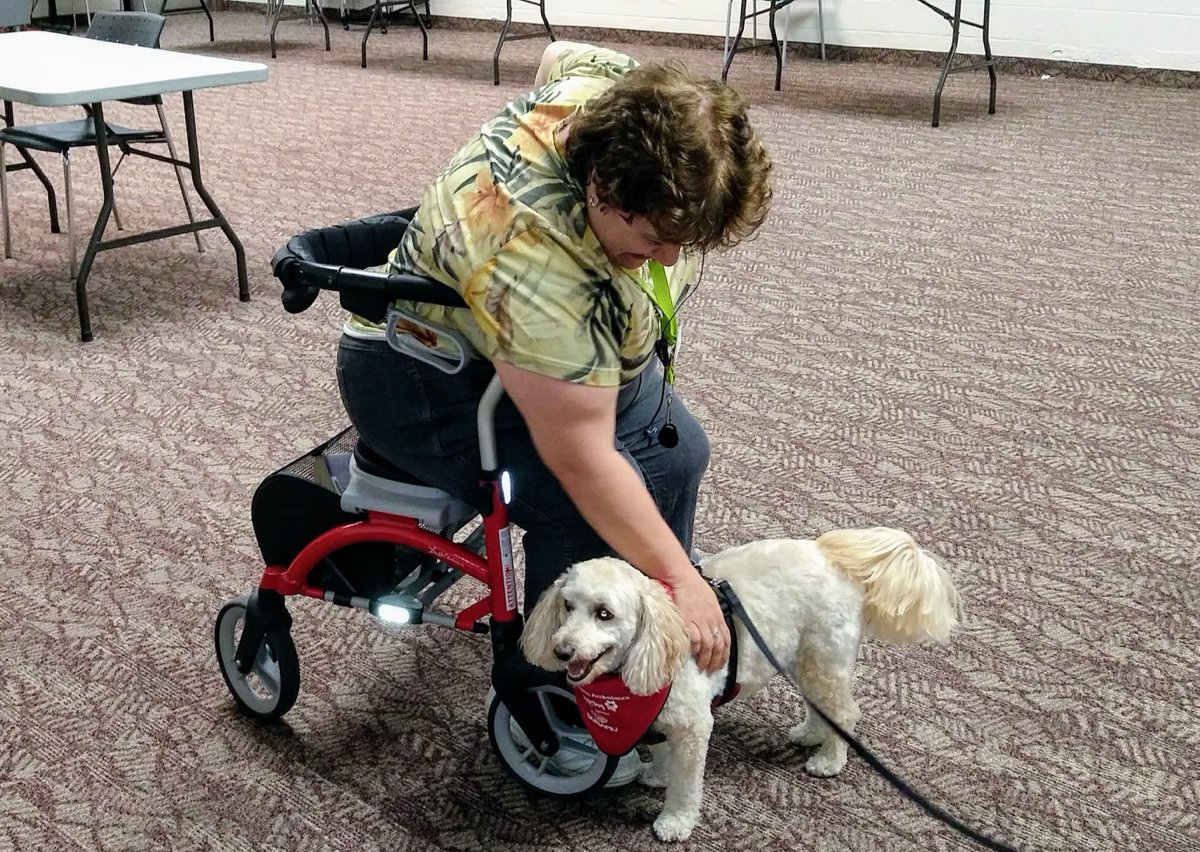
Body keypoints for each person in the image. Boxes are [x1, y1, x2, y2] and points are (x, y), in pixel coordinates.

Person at [337, 42, 772, 682]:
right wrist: (681, 576)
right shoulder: (536, 264)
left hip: (515, 352)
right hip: (420, 377)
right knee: (577, 509)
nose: (669, 259)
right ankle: (551, 686)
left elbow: (561, 54)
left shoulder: (606, 98)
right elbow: (580, 460)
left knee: (679, 455)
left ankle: (650, 637)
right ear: (603, 183)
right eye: (656, 238)